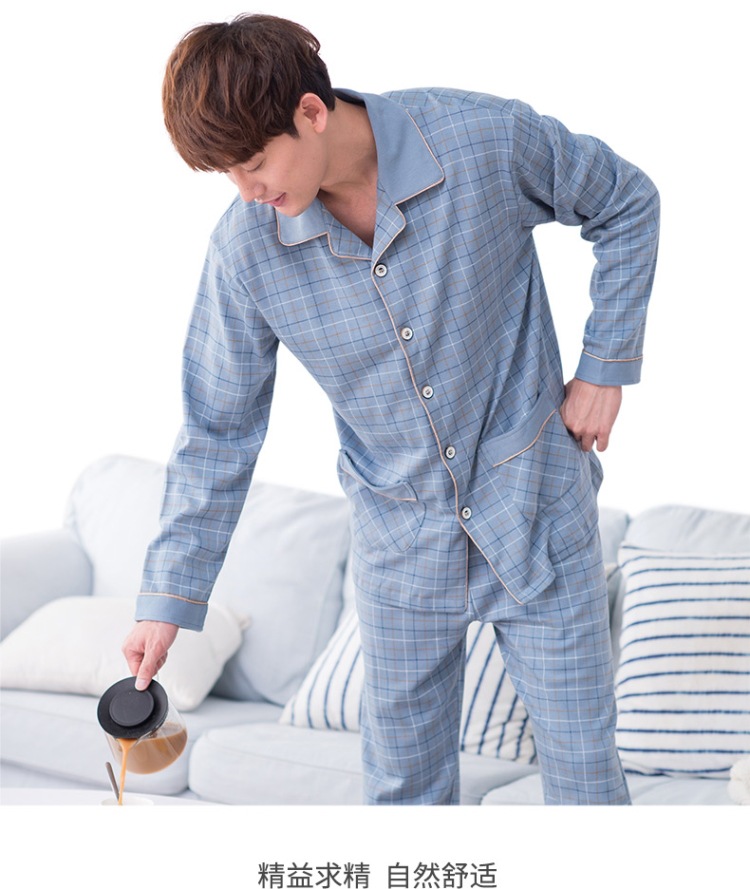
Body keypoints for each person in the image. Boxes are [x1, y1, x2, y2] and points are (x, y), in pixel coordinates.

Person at [123, 13, 659, 805]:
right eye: (228, 175)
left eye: (255, 163)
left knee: (586, 784)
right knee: (404, 797)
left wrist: (605, 367)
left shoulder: (482, 140)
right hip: (400, 549)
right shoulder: (245, 251)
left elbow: (626, 201)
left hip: (539, 512)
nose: (249, 192)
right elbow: (217, 431)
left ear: (311, 111)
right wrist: (166, 603)